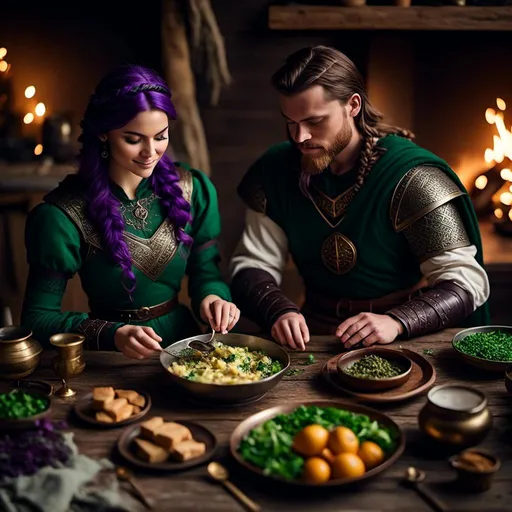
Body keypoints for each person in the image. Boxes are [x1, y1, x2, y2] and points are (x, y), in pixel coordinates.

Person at [229, 45, 490, 351]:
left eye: (314, 122)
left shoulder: (411, 177)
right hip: (314, 334)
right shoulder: (276, 170)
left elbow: (466, 281)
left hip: (403, 339)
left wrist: (397, 321)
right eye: (290, 122)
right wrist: (277, 309)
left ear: (352, 105)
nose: (299, 137)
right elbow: (252, 262)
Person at [21, 64, 240, 359]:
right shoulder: (62, 216)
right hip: (110, 357)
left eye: (161, 136)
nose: (150, 152)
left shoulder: (192, 189)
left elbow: (206, 271)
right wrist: (112, 334)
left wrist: (213, 297)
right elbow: (37, 319)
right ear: (103, 134)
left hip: (187, 349)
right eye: (134, 139)